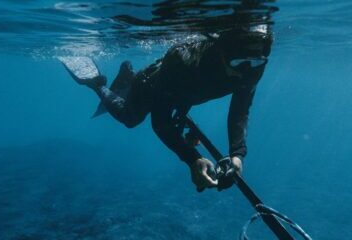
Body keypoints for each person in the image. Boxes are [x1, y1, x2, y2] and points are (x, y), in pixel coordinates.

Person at [71, 24, 273, 192]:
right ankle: (96, 82)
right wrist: (192, 159)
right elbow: (160, 121)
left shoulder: (254, 65)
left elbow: (240, 110)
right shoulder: (183, 59)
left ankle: (126, 77)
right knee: (130, 118)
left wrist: (237, 156)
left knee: (178, 116)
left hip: (181, 93)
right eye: (238, 63)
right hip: (150, 84)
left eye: (255, 62)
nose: (244, 72)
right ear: (222, 53)